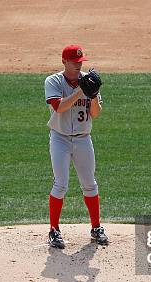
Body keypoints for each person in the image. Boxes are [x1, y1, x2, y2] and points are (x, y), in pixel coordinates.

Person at [44, 44, 108, 249]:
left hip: (83, 138)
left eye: (80, 63)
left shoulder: (89, 82)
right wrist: (81, 90)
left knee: (90, 184)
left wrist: (93, 94)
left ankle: (96, 227)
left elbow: (95, 114)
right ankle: (54, 230)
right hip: (60, 138)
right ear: (64, 62)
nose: (78, 67)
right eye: (74, 63)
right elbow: (60, 107)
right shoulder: (53, 81)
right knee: (60, 184)